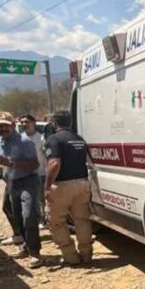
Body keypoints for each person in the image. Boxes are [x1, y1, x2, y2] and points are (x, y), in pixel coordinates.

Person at [0, 112, 43, 266]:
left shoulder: (25, 141)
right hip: (12, 183)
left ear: (12, 125)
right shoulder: (0, 141)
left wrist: (8, 163)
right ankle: (25, 246)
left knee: (29, 216)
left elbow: (34, 165)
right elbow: (1, 162)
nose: (2, 129)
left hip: (28, 181)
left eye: (5, 125)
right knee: (18, 217)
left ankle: (35, 253)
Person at [44, 111, 94, 266]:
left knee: (56, 222)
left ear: (54, 123)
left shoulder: (53, 139)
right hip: (82, 183)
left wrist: (47, 186)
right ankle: (86, 254)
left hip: (62, 186)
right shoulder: (79, 139)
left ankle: (70, 256)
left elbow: (54, 164)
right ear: (70, 122)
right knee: (82, 220)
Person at [20, 114, 48, 226]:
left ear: (34, 123)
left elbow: (46, 155)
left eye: (26, 122)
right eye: (22, 122)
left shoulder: (41, 138)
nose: (24, 124)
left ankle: (44, 220)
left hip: (40, 173)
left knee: (41, 198)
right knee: (30, 199)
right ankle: (35, 219)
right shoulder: (20, 138)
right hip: (25, 174)